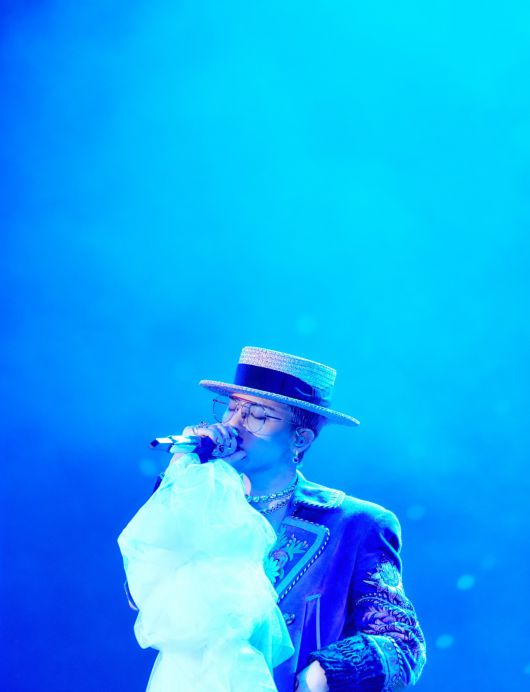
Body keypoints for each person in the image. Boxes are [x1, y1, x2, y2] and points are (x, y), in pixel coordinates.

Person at [119, 346, 427, 692]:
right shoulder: (205, 507)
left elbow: (403, 644)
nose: (233, 425)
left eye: (258, 415)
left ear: (300, 438)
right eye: (232, 408)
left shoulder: (355, 523)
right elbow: (141, 595)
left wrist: (321, 676)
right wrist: (183, 477)